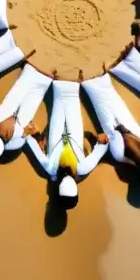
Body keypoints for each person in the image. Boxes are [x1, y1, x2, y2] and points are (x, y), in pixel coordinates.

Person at [27, 76, 106, 206]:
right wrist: (102, 140)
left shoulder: (50, 169)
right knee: (73, 96)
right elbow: (101, 149)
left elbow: (34, 149)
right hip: (74, 128)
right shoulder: (83, 168)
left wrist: (28, 135)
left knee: (58, 93)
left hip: (57, 128)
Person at [80, 73, 140, 185]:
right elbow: (109, 137)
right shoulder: (119, 156)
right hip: (106, 114)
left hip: (119, 109)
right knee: (92, 88)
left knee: (107, 87)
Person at [0, 64, 54, 173]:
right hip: (15, 120)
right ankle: (33, 72)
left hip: (17, 121)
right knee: (21, 94)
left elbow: (24, 138)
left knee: (30, 99)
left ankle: (43, 79)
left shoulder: (12, 145)